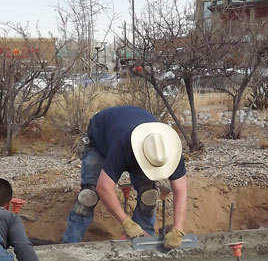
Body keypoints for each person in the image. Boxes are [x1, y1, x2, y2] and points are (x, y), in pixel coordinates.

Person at [61, 105, 189, 249]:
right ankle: (68, 247)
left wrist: (178, 229)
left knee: (149, 195)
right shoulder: (123, 144)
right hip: (101, 139)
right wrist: (126, 222)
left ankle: (143, 245)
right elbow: (104, 187)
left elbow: (181, 189)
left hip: (136, 140)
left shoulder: (166, 148)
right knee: (87, 198)